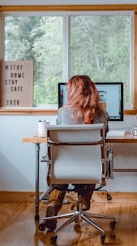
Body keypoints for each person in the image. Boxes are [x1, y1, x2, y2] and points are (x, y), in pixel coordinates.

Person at [45, 75, 109, 230]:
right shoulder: (103, 115)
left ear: (72, 92)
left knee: (64, 161)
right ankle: (84, 200)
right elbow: (103, 138)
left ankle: (54, 204)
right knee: (90, 161)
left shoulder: (62, 113)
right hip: (91, 170)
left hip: (64, 169)